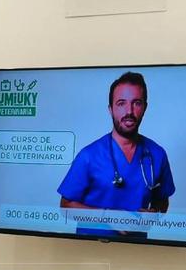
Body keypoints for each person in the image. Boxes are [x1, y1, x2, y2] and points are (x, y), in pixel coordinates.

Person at [57, 72, 174, 220]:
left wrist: (154, 214)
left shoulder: (157, 154)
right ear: (110, 109)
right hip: (92, 236)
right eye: (121, 103)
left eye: (137, 103)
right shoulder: (89, 156)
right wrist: (109, 218)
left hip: (138, 236)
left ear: (145, 108)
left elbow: (162, 201)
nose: (129, 111)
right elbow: (65, 206)